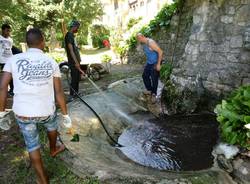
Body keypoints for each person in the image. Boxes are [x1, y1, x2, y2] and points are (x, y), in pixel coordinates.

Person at [0, 28, 72, 184]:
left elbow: (2, 87)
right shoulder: (51, 61)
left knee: (32, 145)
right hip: (46, 111)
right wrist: (65, 115)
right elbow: (59, 91)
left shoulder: (13, 60)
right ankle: (53, 149)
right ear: (43, 42)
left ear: (27, 43)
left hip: (23, 113)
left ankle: (43, 180)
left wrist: (1, 113)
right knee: (52, 126)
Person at [136, 33, 163, 103]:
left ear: (142, 37)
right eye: (137, 39)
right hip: (149, 63)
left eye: (139, 38)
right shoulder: (144, 43)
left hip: (155, 63)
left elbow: (160, 51)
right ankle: (150, 90)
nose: (139, 40)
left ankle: (154, 94)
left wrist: (158, 64)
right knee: (145, 76)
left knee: (154, 79)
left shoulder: (150, 42)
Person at [64, 20, 85, 100]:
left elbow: (74, 48)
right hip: (73, 61)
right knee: (74, 78)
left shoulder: (72, 35)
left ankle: (76, 93)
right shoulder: (69, 35)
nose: (78, 29)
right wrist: (76, 62)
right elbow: (71, 50)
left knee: (77, 78)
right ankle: (72, 95)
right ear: (74, 26)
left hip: (76, 60)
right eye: (77, 27)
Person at [0, 24, 13, 96]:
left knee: (10, 76)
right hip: (1, 60)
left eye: (9, 31)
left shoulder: (10, 39)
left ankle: (11, 91)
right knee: (2, 76)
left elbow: (10, 49)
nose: (8, 33)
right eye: (7, 31)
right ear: (2, 30)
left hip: (9, 60)